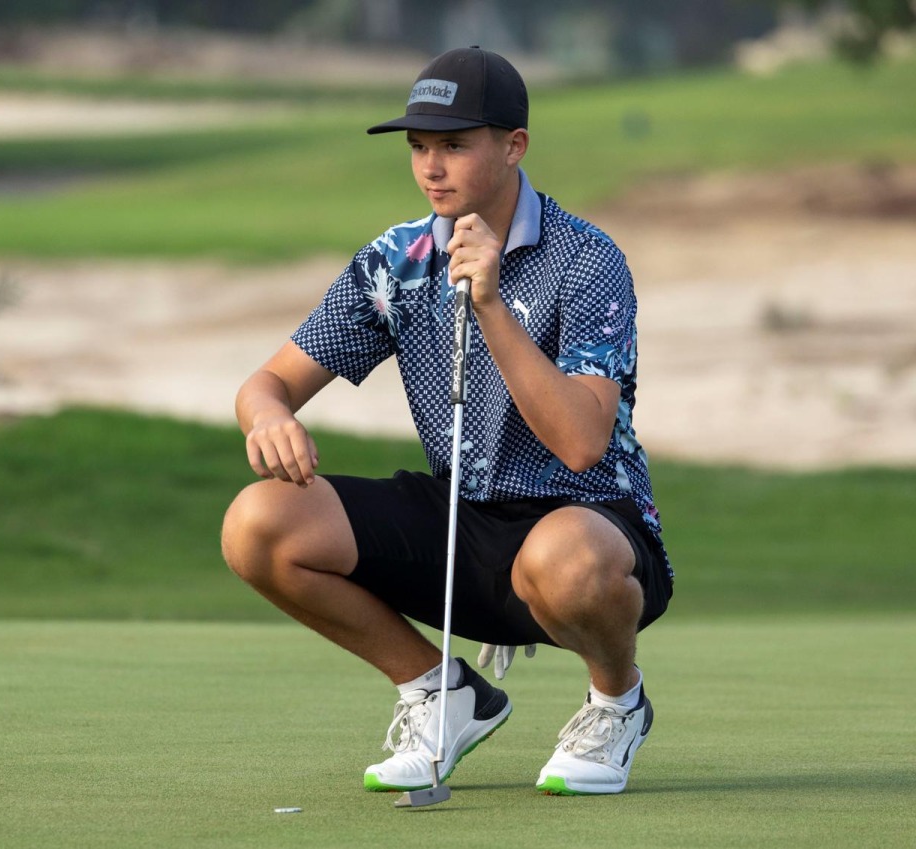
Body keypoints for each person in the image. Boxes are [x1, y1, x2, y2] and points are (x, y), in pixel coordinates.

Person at [220, 46, 673, 797]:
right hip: (463, 520)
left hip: (588, 525)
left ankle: (616, 702)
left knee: (565, 558)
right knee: (258, 523)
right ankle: (440, 692)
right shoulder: (397, 259)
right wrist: (266, 415)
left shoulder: (587, 259)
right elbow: (268, 381)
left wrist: (491, 302)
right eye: (420, 147)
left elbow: (581, 441)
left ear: (513, 145)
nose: (432, 167)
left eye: (455, 145)